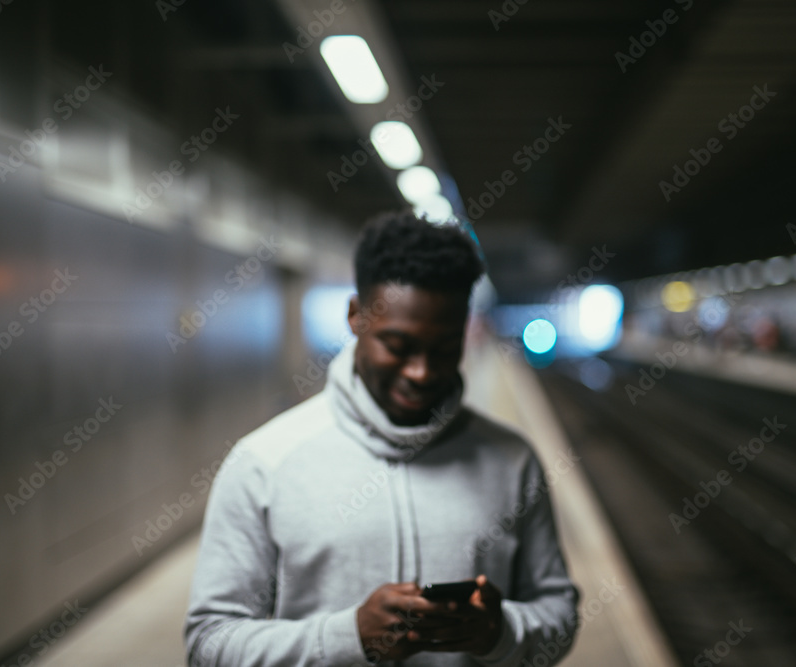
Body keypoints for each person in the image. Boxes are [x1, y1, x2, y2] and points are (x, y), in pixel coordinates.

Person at [184, 211, 579, 666]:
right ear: (356, 316)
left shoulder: (512, 461)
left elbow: (559, 615)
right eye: (399, 345)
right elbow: (209, 644)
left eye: (444, 349)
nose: (421, 371)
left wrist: (500, 633)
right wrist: (347, 638)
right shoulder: (263, 463)